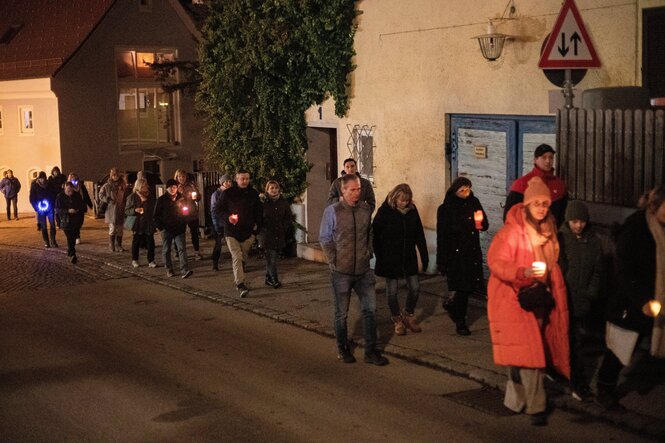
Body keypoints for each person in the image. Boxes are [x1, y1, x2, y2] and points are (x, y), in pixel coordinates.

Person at [487, 176, 570, 426]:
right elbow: (496, 262)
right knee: (528, 354)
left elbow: (552, 261)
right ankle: (536, 406)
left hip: (539, 298)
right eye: (537, 204)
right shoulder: (512, 231)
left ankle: (516, 401)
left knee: (524, 354)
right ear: (527, 205)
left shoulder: (549, 230)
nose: (542, 208)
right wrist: (521, 272)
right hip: (511, 299)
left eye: (545, 203)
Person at [595, 186, 665, 408]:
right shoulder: (637, 227)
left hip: (655, 298)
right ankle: (604, 389)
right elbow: (624, 270)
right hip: (631, 302)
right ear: (654, 207)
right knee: (620, 348)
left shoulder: (660, 228)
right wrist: (642, 299)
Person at [319, 174, 388, 366]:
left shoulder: (365, 209)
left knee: (371, 310)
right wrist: (334, 260)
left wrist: (368, 252)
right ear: (343, 191)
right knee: (342, 314)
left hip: (364, 270)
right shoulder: (333, 211)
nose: (358, 192)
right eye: (353, 189)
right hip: (341, 271)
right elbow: (324, 238)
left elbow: (369, 232)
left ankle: (371, 351)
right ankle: (343, 348)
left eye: (359, 189)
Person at [557, 200, 603, 402]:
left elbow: (598, 270)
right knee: (571, 343)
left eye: (582, 221)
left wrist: (591, 292)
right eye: (575, 221)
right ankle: (576, 382)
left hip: (582, 300)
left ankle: (574, 380)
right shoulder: (561, 239)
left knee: (577, 343)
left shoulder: (593, 241)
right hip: (564, 300)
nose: (578, 225)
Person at [372, 183, 428, 336]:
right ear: (395, 198)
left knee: (415, 287)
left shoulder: (412, 211)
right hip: (390, 258)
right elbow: (375, 235)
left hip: (408, 257)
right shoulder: (385, 212)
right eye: (402, 200)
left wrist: (424, 256)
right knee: (392, 291)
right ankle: (397, 319)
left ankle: (408, 314)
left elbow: (419, 234)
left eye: (407, 200)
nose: (405, 203)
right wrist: (380, 256)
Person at [437, 177, 489, 336]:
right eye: (462, 191)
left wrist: (480, 223)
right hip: (456, 254)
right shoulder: (446, 208)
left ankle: (453, 305)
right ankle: (460, 322)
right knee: (462, 288)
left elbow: (484, 224)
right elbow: (442, 235)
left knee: (469, 287)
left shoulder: (474, 202)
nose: (466, 193)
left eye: (468, 189)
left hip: (471, 251)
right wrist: (442, 261)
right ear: (455, 191)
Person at [218, 169, 263, 298]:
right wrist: (228, 217)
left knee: (242, 256)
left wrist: (257, 228)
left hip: (248, 232)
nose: (244, 181)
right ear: (236, 179)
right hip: (231, 231)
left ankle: (240, 274)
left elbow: (259, 212)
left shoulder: (253, 194)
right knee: (236, 256)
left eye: (247, 179)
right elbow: (217, 209)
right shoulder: (228, 194)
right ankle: (240, 283)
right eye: (242, 179)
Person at [503, 144, 568, 227]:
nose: (548, 161)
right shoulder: (522, 184)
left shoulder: (560, 184)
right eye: (544, 157)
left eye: (551, 157)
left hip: (552, 235)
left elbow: (563, 214)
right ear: (535, 160)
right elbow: (509, 216)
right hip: (528, 235)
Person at [154, 178, 192, 279]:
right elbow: (156, 215)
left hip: (179, 228)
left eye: (174, 187)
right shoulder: (161, 200)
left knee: (182, 249)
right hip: (166, 229)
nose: (173, 189)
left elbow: (187, 212)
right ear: (167, 188)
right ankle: (169, 269)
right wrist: (161, 227)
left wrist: (185, 218)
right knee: (166, 250)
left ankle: (184, 270)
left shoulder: (182, 198)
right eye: (171, 187)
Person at [258, 180, 292, 289]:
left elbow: (288, 216)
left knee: (272, 257)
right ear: (267, 189)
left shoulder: (283, 202)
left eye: (276, 188)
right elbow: (258, 217)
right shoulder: (263, 202)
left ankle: (268, 278)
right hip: (267, 234)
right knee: (271, 257)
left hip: (279, 233)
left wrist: (284, 227)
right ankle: (274, 279)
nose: (274, 190)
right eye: (271, 188)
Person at [125, 177, 157, 269]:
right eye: (143, 186)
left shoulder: (150, 196)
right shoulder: (132, 197)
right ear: (139, 187)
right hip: (138, 222)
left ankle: (151, 260)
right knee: (136, 241)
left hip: (148, 221)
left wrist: (145, 201)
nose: (145, 187)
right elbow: (127, 210)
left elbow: (153, 208)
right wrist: (135, 210)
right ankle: (134, 259)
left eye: (146, 185)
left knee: (150, 241)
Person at [175, 169, 203, 260]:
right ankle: (178, 253)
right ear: (177, 177)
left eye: (183, 176)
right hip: (180, 214)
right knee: (179, 233)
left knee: (194, 233)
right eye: (179, 176)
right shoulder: (174, 186)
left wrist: (195, 194)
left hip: (191, 212)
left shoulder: (191, 185)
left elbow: (198, 198)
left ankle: (196, 252)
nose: (181, 178)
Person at [55, 181, 86, 264]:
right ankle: (73, 254)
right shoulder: (60, 196)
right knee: (70, 237)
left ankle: (70, 251)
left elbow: (82, 207)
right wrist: (67, 211)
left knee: (74, 236)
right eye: (68, 191)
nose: (70, 193)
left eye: (71, 191)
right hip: (65, 221)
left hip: (75, 220)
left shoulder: (77, 196)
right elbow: (57, 210)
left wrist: (77, 211)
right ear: (65, 188)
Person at [98, 167, 128, 252]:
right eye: (114, 175)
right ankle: (111, 244)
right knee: (112, 228)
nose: (115, 177)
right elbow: (101, 195)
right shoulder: (107, 185)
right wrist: (107, 200)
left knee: (120, 228)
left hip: (120, 209)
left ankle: (119, 245)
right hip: (111, 209)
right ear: (111, 175)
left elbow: (126, 195)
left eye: (117, 175)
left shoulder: (122, 185)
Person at [210, 174, 233, 271]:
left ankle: (237, 264)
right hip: (219, 223)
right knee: (218, 244)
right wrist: (216, 225)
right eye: (227, 181)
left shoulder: (231, 193)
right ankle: (215, 263)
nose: (229, 183)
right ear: (222, 183)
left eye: (230, 181)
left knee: (233, 244)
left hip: (229, 222)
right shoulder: (216, 194)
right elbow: (214, 211)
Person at [29, 171, 58, 248]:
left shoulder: (50, 184)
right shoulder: (35, 186)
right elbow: (32, 198)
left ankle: (53, 241)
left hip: (50, 208)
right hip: (40, 209)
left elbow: (54, 194)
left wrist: (53, 204)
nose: (42, 180)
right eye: (41, 178)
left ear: (45, 178)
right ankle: (46, 242)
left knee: (52, 225)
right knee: (43, 226)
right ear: (39, 178)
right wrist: (36, 208)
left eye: (44, 178)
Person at [67, 172, 93, 244]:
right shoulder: (68, 187)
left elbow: (86, 195)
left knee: (80, 222)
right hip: (72, 207)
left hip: (80, 207)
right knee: (75, 223)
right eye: (72, 180)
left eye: (75, 180)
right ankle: (77, 237)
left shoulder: (81, 186)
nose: (74, 182)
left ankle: (76, 235)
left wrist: (90, 205)